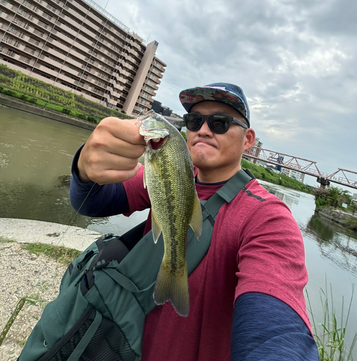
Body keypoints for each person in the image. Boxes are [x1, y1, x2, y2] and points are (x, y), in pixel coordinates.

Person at [70, 82, 319, 361]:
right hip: (126, 350)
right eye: (194, 120)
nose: (203, 129)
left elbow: (276, 326)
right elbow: (90, 203)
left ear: (248, 139)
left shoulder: (268, 217)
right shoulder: (168, 174)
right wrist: (84, 166)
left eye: (220, 123)